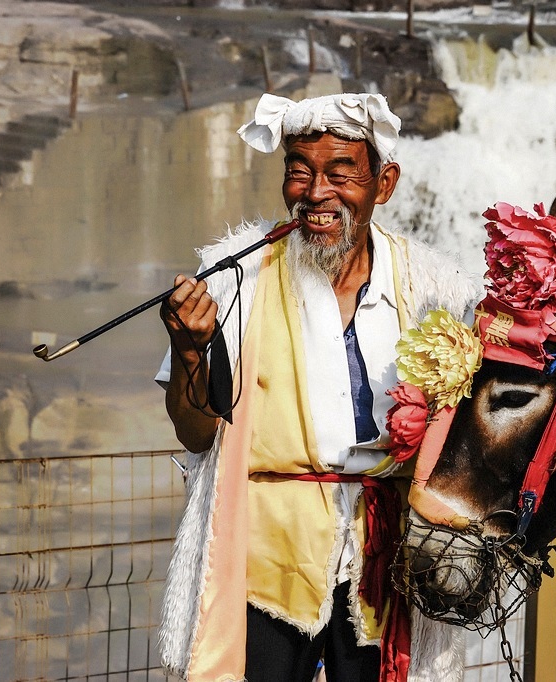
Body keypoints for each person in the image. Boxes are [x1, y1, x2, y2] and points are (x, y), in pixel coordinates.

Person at [154, 92, 482, 682]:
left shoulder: (436, 288)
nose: (315, 193)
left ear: (384, 184)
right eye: (299, 172)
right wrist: (188, 350)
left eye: (340, 173)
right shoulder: (236, 278)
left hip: (386, 568)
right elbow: (195, 432)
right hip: (266, 562)